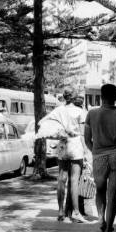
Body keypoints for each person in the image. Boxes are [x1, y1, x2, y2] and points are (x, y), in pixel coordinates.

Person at [84, 85, 116, 232]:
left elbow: (87, 139)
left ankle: (101, 221)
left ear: (101, 96)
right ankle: (108, 230)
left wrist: (96, 151)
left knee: (100, 190)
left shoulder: (91, 114)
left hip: (98, 156)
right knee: (113, 193)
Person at [41, 89, 89, 223]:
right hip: (75, 145)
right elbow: (83, 134)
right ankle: (76, 212)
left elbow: (44, 122)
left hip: (62, 144)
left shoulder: (58, 110)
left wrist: (59, 133)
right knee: (74, 180)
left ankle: (61, 211)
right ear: (74, 98)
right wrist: (85, 151)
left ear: (64, 97)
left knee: (61, 179)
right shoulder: (80, 112)